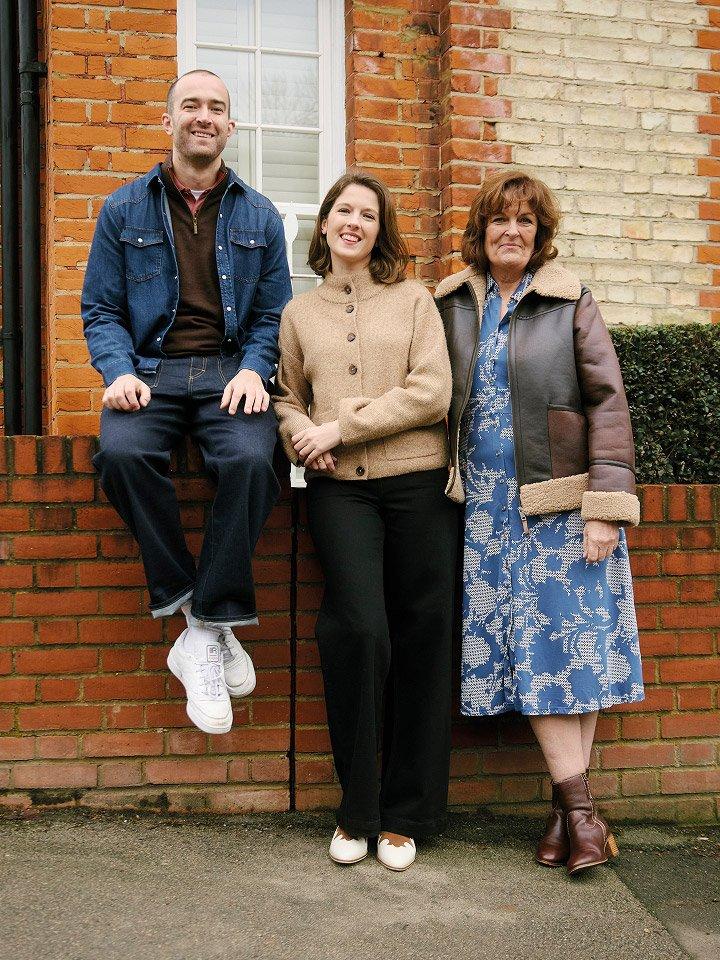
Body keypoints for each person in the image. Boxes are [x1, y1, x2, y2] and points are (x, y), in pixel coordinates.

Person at [435, 169, 644, 876]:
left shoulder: (568, 302)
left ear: (540, 233)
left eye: (525, 221)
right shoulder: (453, 304)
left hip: (559, 511)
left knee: (566, 662)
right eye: (500, 220)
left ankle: (577, 817)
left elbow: (608, 405)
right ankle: (574, 818)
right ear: (481, 230)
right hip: (486, 516)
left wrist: (604, 510)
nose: (512, 232)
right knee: (548, 661)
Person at [82, 70, 292, 736]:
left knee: (257, 461)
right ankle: (202, 616)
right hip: (152, 373)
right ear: (167, 119)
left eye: (218, 108)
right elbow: (101, 308)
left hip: (230, 375)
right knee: (120, 451)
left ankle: (199, 627)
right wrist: (116, 371)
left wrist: (259, 370)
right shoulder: (122, 209)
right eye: (192, 106)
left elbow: (272, 314)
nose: (205, 117)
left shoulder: (259, 214)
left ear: (232, 127)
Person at [273, 172, 458, 871]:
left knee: (420, 636)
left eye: (368, 214)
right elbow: (287, 396)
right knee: (357, 630)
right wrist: (301, 431)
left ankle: (407, 815)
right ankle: (358, 809)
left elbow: (431, 391)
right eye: (343, 211)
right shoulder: (299, 313)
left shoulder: (414, 300)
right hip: (339, 493)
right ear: (323, 225)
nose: (354, 222)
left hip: (417, 485)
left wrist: (339, 426)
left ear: (382, 231)